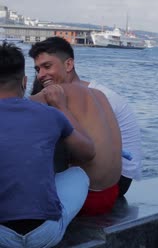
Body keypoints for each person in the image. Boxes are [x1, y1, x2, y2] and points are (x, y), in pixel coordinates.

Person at [0, 43, 94, 247]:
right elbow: (88, 152)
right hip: (45, 234)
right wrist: (61, 108)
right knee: (78, 175)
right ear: (24, 82)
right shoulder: (50, 114)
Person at [28, 37, 142, 196]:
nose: (41, 75)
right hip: (119, 179)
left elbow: (18, 106)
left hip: (112, 182)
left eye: (47, 66)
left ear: (69, 64)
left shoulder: (64, 92)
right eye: (37, 69)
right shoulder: (97, 92)